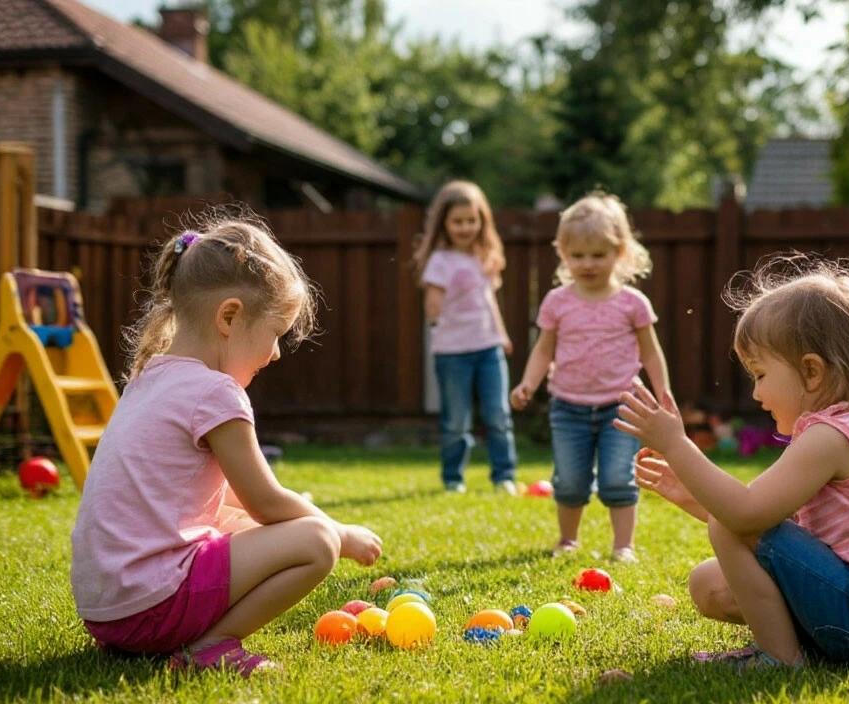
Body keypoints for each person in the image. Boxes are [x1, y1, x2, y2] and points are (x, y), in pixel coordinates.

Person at [616, 256, 849, 668]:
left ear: (812, 372)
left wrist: (677, 445)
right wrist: (691, 493)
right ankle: (801, 648)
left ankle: (779, 658)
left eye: (760, 374)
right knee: (708, 584)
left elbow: (746, 517)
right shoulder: (845, 430)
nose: (755, 394)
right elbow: (777, 530)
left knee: (729, 527)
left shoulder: (829, 438)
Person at [71, 218, 383, 677]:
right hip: (151, 608)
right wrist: (339, 531)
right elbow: (267, 501)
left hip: (107, 613)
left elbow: (227, 499)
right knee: (316, 543)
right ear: (230, 317)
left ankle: (182, 638)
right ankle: (210, 647)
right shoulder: (215, 392)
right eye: (276, 332)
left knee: (232, 522)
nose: (276, 353)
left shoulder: (148, 376)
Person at [511, 192, 671, 562]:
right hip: (568, 407)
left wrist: (662, 392)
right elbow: (544, 349)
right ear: (563, 253)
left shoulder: (633, 303)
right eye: (577, 255)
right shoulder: (558, 302)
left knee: (618, 479)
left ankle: (623, 546)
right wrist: (528, 384)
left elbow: (651, 351)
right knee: (569, 481)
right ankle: (568, 540)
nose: (587, 264)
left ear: (620, 252)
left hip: (622, 406)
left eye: (598, 255)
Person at [413, 180, 519, 494]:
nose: (465, 227)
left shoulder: (484, 257)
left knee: (498, 415)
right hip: (453, 352)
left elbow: (489, 301)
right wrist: (436, 321)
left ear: (481, 221)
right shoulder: (440, 261)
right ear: (444, 223)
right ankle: (453, 479)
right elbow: (432, 303)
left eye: (471, 220)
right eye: (457, 221)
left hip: (488, 348)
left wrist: (501, 335)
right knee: (457, 421)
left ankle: (504, 476)